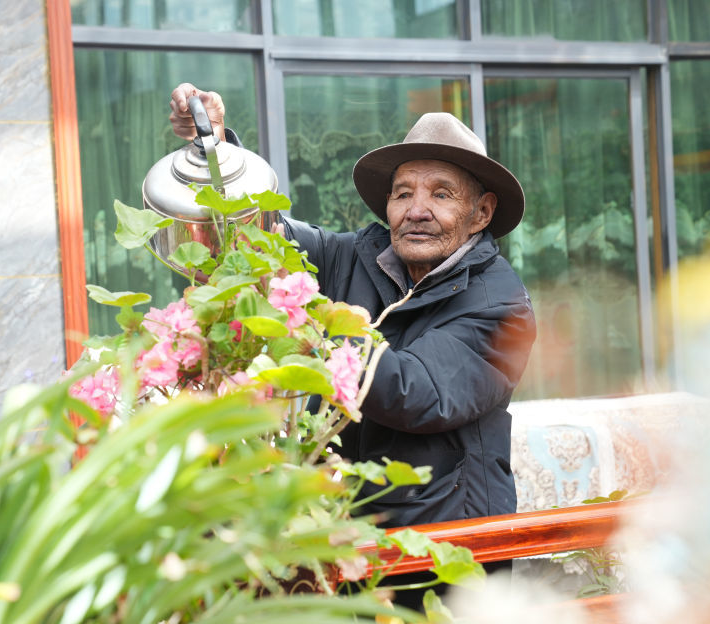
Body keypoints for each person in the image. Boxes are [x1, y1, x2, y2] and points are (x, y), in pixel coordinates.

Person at [168, 83, 536, 530]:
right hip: (342, 529)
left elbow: (417, 392)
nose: (416, 210)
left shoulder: (500, 303)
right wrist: (217, 151)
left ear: (481, 213)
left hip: (446, 545)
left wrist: (309, 317)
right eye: (403, 194)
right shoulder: (353, 254)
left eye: (441, 195)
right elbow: (263, 237)